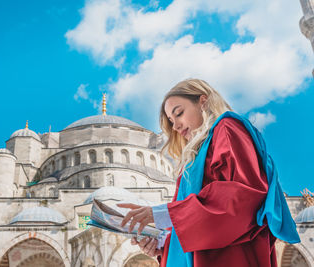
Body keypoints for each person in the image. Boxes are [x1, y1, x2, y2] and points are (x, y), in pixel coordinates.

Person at [118, 79, 300, 267]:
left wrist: (165, 215)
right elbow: (197, 230)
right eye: (171, 122)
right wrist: (163, 245)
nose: (176, 127)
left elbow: (242, 198)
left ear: (203, 102)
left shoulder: (227, 128)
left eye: (179, 113)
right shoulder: (192, 162)